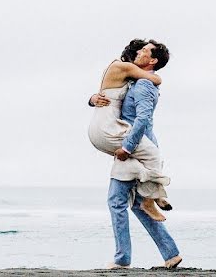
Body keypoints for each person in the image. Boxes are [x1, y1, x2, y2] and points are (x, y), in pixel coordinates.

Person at [88, 39, 182, 269]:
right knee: (135, 203)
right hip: (129, 146)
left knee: (117, 201)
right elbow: (111, 94)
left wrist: (127, 147)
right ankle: (170, 253)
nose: (139, 52)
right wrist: (92, 99)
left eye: (145, 51)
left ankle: (123, 259)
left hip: (133, 147)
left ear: (152, 60)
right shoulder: (134, 80)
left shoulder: (143, 85)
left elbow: (143, 119)